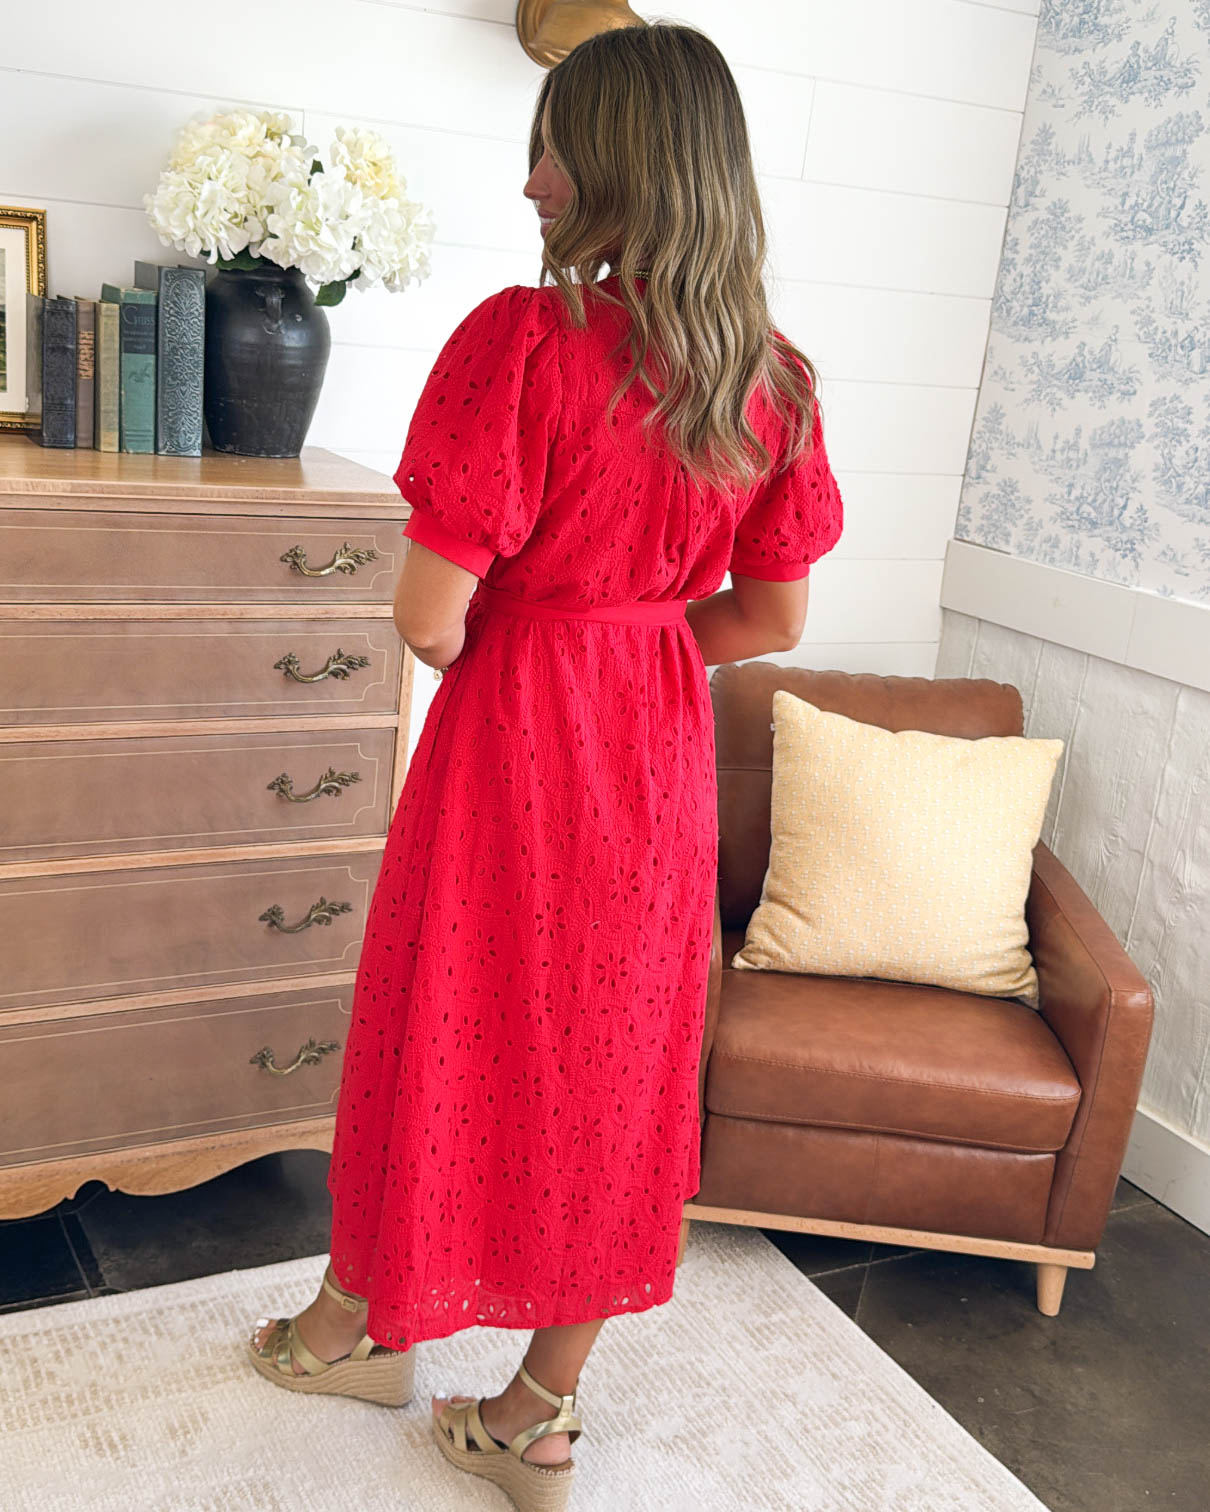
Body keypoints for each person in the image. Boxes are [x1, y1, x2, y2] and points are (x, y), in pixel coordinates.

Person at [247, 19, 844, 1511]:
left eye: (553, 152)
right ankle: (535, 1415)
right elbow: (771, 618)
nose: (530, 185)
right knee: (615, 1066)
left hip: (514, 742)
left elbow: (426, 617)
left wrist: (544, 647)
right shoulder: (774, 382)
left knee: (439, 1020)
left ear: (624, 166)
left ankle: (354, 1332)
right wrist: (632, 646)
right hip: (655, 754)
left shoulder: (524, 341)